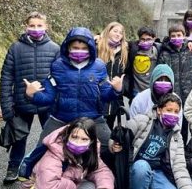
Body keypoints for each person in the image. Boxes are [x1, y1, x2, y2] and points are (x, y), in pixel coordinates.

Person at [24, 27, 122, 155]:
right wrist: (31, 95)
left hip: (93, 118)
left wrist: (116, 90)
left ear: (91, 49)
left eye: (83, 48)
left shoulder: (99, 66)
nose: (79, 51)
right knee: (39, 151)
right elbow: (48, 97)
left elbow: (105, 95)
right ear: (68, 48)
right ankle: (27, 173)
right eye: (75, 48)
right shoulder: (57, 66)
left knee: (112, 149)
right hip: (61, 118)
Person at [0, 11, 60, 184]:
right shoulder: (15, 48)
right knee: (19, 138)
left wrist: (56, 100)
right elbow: (6, 78)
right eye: (32, 25)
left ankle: (49, 169)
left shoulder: (55, 49)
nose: (35, 29)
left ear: (46, 27)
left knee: (51, 138)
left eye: (39, 25)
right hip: (21, 102)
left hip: (46, 103)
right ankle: (13, 168)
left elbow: (59, 77)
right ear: (26, 27)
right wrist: (6, 107)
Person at [110, 93, 192, 189]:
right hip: (137, 168)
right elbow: (119, 134)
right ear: (159, 110)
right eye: (169, 110)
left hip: (159, 172)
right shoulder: (143, 120)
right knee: (141, 166)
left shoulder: (176, 136)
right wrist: (113, 144)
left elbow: (179, 167)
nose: (173, 114)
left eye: (176, 112)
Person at [16, 117, 114, 189]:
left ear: (91, 141)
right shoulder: (53, 153)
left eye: (84, 139)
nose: (78, 143)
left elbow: (102, 171)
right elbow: (46, 188)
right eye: (74, 137)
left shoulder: (89, 152)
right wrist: (73, 185)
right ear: (67, 136)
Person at [159, 24, 192, 141]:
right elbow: (161, 73)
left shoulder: (191, 51)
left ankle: (181, 149)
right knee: (168, 122)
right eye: (173, 36)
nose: (176, 38)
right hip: (171, 95)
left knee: (184, 125)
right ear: (169, 37)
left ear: (184, 36)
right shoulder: (165, 53)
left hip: (188, 94)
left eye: (179, 35)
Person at [96, 22, 129, 129]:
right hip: (97, 97)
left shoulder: (125, 51)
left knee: (108, 130)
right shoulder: (97, 47)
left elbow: (127, 74)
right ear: (108, 31)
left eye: (121, 33)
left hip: (115, 100)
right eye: (115, 31)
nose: (118, 34)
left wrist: (121, 87)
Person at [126, 27, 161, 100]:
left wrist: (190, 42)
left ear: (154, 39)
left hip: (152, 90)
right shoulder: (133, 49)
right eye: (143, 39)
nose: (145, 42)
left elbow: (169, 44)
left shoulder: (158, 49)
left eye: (148, 39)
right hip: (136, 91)